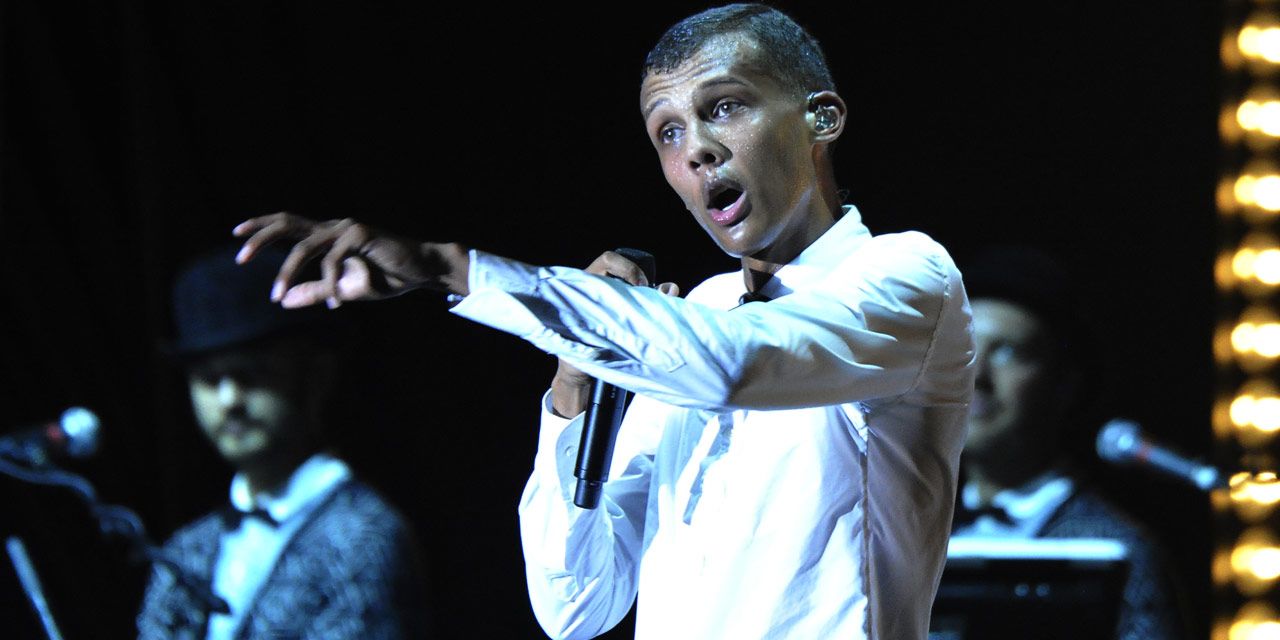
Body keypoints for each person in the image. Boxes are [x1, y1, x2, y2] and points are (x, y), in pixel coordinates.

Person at [232, 4, 974, 638]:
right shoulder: (695, 313)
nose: (698, 149)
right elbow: (576, 605)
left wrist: (451, 268)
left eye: (724, 107)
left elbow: (738, 363)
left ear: (821, 117)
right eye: (668, 132)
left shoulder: (906, 275)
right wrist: (574, 384)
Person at [136, 245, 427, 639]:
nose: (229, 400)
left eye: (251, 373)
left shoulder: (362, 535)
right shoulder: (186, 548)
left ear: (315, 375)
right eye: (208, 378)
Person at [948, 247, 1183, 639]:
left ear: (1064, 384)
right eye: (963, 350)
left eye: (1007, 352)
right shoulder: (910, 531)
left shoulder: (1117, 549)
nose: (977, 376)